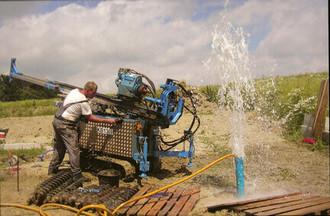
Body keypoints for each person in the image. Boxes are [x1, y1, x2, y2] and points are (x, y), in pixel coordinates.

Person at [48, 81, 121, 180]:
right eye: (93, 93)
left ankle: (52, 170)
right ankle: (77, 176)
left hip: (57, 120)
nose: (94, 95)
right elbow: (90, 118)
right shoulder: (83, 102)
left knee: (59, 147)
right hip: (66, 125)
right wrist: (108, 121)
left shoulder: (74, 91)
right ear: (88, 90)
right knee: (74, 150)